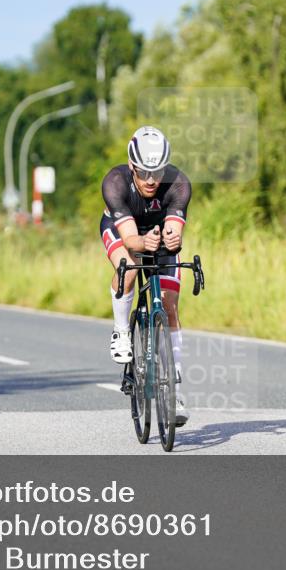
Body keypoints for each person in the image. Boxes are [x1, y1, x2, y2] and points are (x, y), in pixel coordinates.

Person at [100, 126, 191, 426]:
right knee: (127, 266)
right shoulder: (115, 183)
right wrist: (143, 243)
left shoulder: (178, 183)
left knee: (170, 303)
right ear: (131, 166)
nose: (152, 180)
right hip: (122, 230)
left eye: (157, 172)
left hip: (157, 233)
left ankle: (174, 388)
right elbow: (130, 239)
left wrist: (172, 237)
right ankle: (121, 330)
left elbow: (176, 231)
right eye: (143, 173)